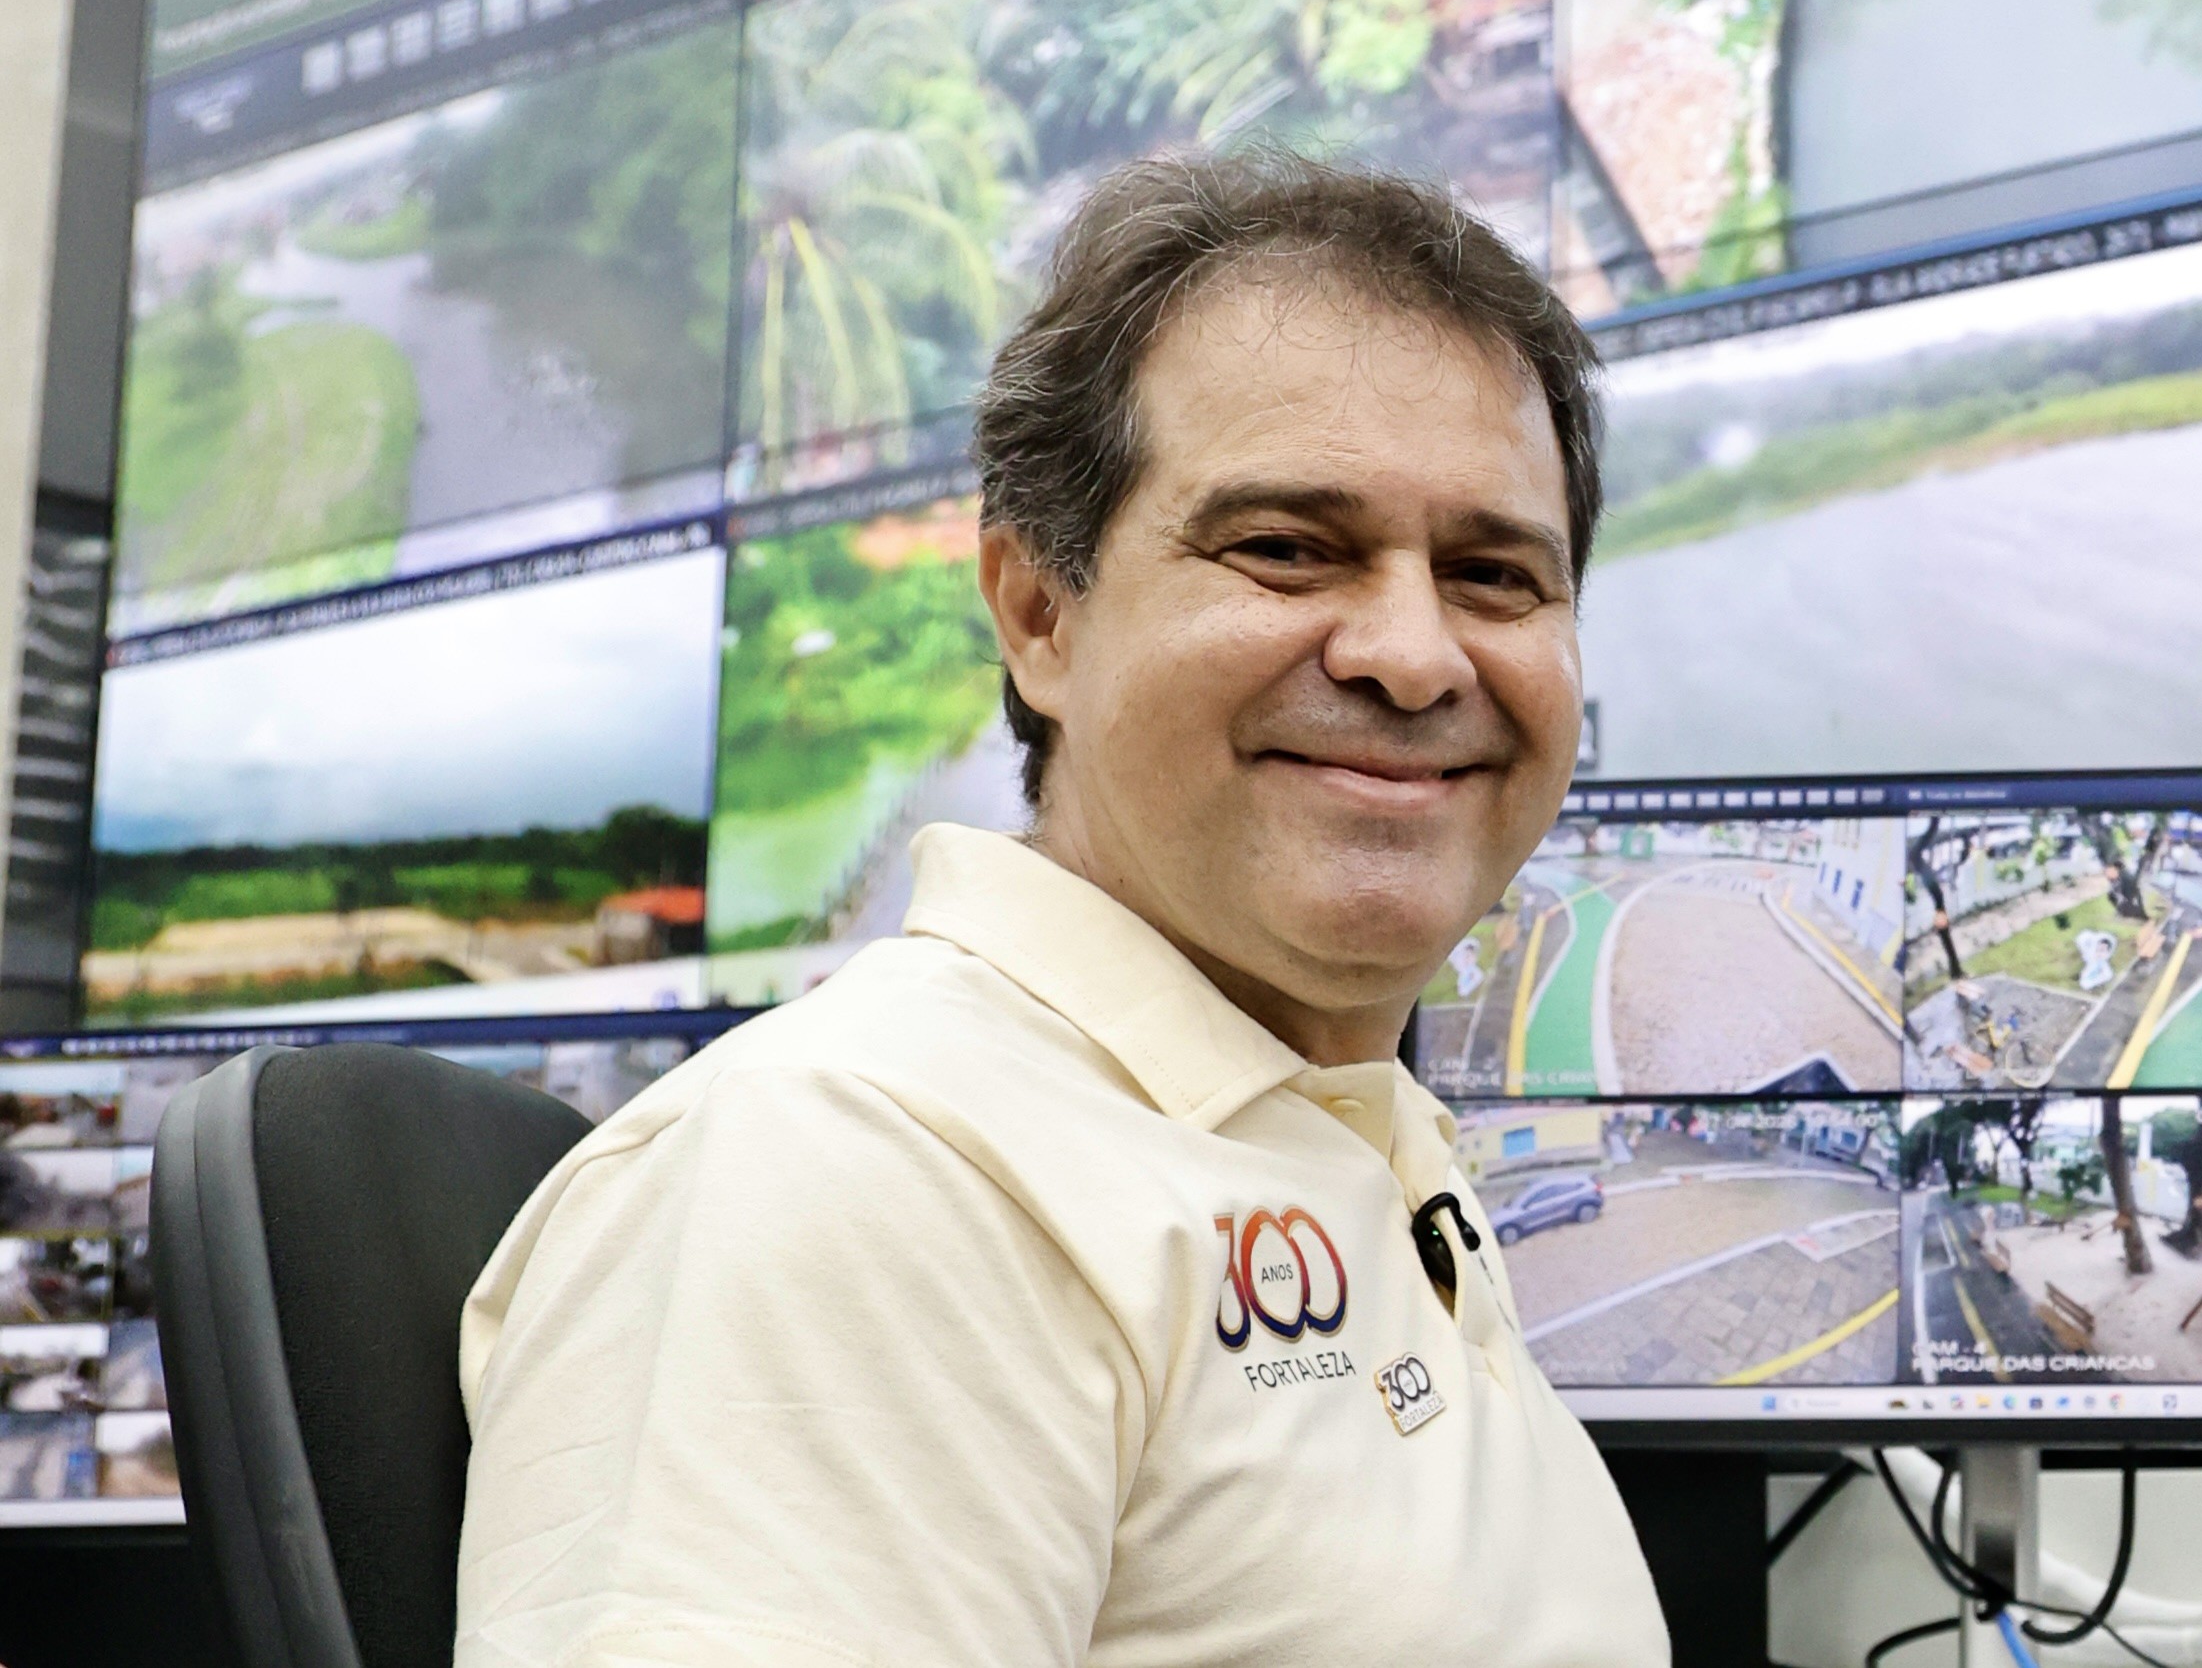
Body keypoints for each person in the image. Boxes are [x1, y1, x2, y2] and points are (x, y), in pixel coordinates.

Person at [456, 154, 1669, 1668]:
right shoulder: (862, 1163)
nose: (1416, 655)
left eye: (1494, 575)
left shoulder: (1352, 1139)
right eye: (1286, 548)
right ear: (1040, 613)